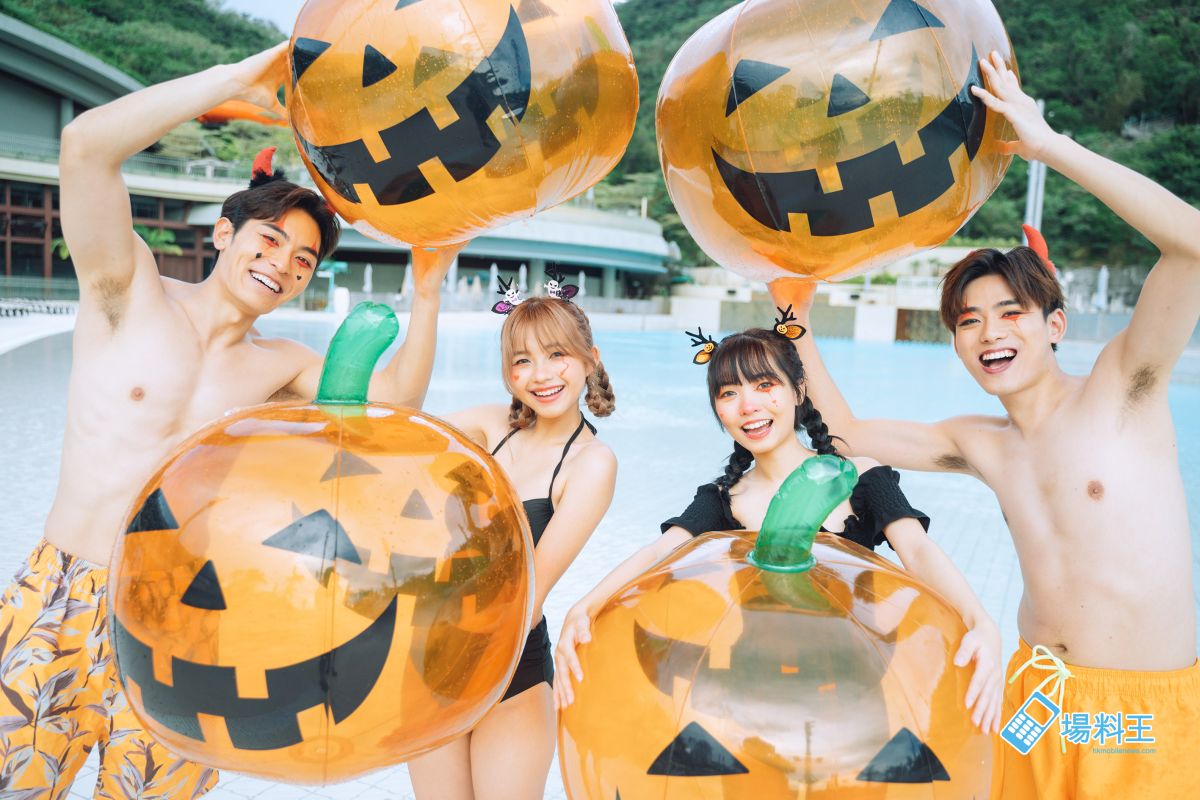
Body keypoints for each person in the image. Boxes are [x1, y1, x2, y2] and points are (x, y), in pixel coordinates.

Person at [0, 43, 459, 798]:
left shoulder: (280, 366)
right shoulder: (127, 291)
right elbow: (84, 147)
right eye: (270, 239)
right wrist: (241, 78)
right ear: (224, 234)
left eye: (304, 260)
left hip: (180, 620)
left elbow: (396, 408)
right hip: (64, 590)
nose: (283, 264)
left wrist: (431, 290)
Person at [779, 51, 1200, 798]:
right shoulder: (979, 442)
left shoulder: (1123, 389)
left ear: (1053, 325)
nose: (989, 332)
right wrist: (794, 319)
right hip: (1040, 696)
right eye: (968, 320)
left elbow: (1191, 244)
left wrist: (1049, 146)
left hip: (1140, 712)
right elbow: (843, 433)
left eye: (1010, 313)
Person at [554, 321, 1003, 736]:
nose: (748, 405)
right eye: (729, 393)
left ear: (798, 390)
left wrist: (980, 621)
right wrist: (585, 605)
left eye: (764, 385)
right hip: (754, 703)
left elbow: (918, 551)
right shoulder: (724, 500)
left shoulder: (860, 477)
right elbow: (659, 553)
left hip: (855, 700)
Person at [408, 294, 618, 799]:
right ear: (508, 373)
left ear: (590, 358)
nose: (541, 375)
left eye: (557, 354)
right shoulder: (489, 426)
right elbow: (395, 439)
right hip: (435, 654)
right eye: (522, 360)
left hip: (510, 668)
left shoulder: (591, 463)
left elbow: (527, 595)